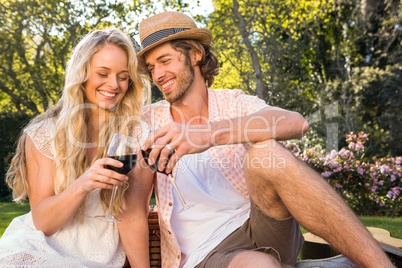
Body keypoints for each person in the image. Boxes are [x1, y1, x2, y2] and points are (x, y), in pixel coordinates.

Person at [121, 11, 394, 268]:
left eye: (165, 61)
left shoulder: (233, 102)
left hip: (265, 225)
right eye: (151, 67)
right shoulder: (148, 123)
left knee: (265, 153)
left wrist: (208, 133)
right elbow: (133, 210)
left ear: (194, 54)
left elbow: (296, 123)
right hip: (208, 254)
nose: (157, 75)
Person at [0, 28, 153, 267]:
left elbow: (133, 215)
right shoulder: (43, 133)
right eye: (103, 73)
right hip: (39, 247)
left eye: (123, 76)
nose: (113, 85)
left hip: (99, 259)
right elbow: (43, 224)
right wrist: (84, 184)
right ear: (81, 74)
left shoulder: (137, 134)